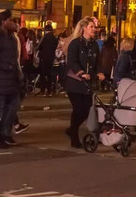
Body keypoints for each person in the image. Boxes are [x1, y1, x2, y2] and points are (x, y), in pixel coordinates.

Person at [64, 17, 104, 148]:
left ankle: (71, 129)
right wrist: (80, 72)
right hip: (74, 82)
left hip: (88, 83)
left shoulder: (94, 45)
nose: (94, 29)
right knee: (78, 109)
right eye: (91, 27)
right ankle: (74, 138)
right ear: (84, 28)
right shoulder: (75, 43)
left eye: (94, 27)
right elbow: (72, 61)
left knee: (86, 109)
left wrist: (100, 72)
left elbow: (98, 61)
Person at [0, 14, 21, 149]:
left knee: (13, 104)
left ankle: (4, 132)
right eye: (11, 20)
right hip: (0, 79)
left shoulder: (11, 38)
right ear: (3, 22)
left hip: (11, 79)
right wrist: (5, 66)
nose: (14, 23)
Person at [37, 24, 59, 96]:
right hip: (50, 58)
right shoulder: (54, 38)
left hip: (43, 57)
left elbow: (39, 46)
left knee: (43, 74)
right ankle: (49, 90)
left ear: (46, 30)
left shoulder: (45, 37)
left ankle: (43, 90)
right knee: (49, 74)